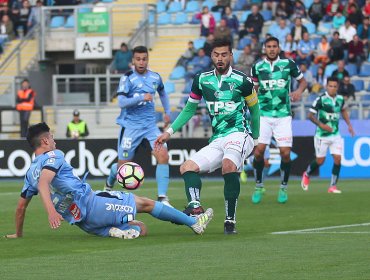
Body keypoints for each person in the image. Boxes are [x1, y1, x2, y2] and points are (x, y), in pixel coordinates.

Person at [4, 123, 213, 239]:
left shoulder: (30, 172)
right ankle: (194, 223)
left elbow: (21, 208)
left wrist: (18, 233)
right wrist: (51, 211)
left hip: (84, 223)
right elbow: (44, 183)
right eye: (51, 136)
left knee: (141, 228)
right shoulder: (54, 155)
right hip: (93, 205)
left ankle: (111, 230)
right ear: (45, 141)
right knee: (146, 204)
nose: (54, 140)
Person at [155, 39, 261, 234]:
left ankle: (230, 220)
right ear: (211, 56)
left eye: (224, 55)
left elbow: (255, 110)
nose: (220, 58)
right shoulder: (202, 80)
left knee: (229, 166)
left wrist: (255, 139)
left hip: (239, 134)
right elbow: (188, 110)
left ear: (231, 56)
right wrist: (168, 132)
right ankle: (195, 208)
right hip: (217, 138)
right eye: (216, 55)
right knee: (187, 167)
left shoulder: (243, 81)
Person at [104, 46, 172, 207]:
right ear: (133, 61)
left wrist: (167, 111)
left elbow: (162, 93)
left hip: (150, 127)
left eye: (144, 59)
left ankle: (162, 197)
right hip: (131, 127)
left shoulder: (155, 77)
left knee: (163, 156)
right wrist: (141, 97)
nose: (141, 62)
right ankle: (109, 182)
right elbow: (121, 102)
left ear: (148, 60)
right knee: (122, 167)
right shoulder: (127, 78)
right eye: (138, 59)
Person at [251, 36, 307, 204]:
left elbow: (303, 82)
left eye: (274, 46)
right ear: (264, 48)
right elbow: (254, 88)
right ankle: (259, 185)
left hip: (283, 115)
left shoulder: (288, 64)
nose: (272, 49)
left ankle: (283, 187)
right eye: (269, 46)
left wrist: (298, 92)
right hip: (264, 115)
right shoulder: (257, 67)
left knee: (285, 154)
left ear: (279, 48)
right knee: (259, 151)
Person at [301, 77, 355, 194]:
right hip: (322, 135)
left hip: (335, 134)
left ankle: (333, 186)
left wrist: (349, 125)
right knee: (320, 161)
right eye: (330, 86)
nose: (332, 88)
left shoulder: (340, 99)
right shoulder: (321, 99)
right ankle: (307, 174)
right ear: (326, 86)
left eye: (335, 86)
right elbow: (310, 115)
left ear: (338, 87)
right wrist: (321, 125)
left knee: (338, 159)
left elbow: (343, 110)